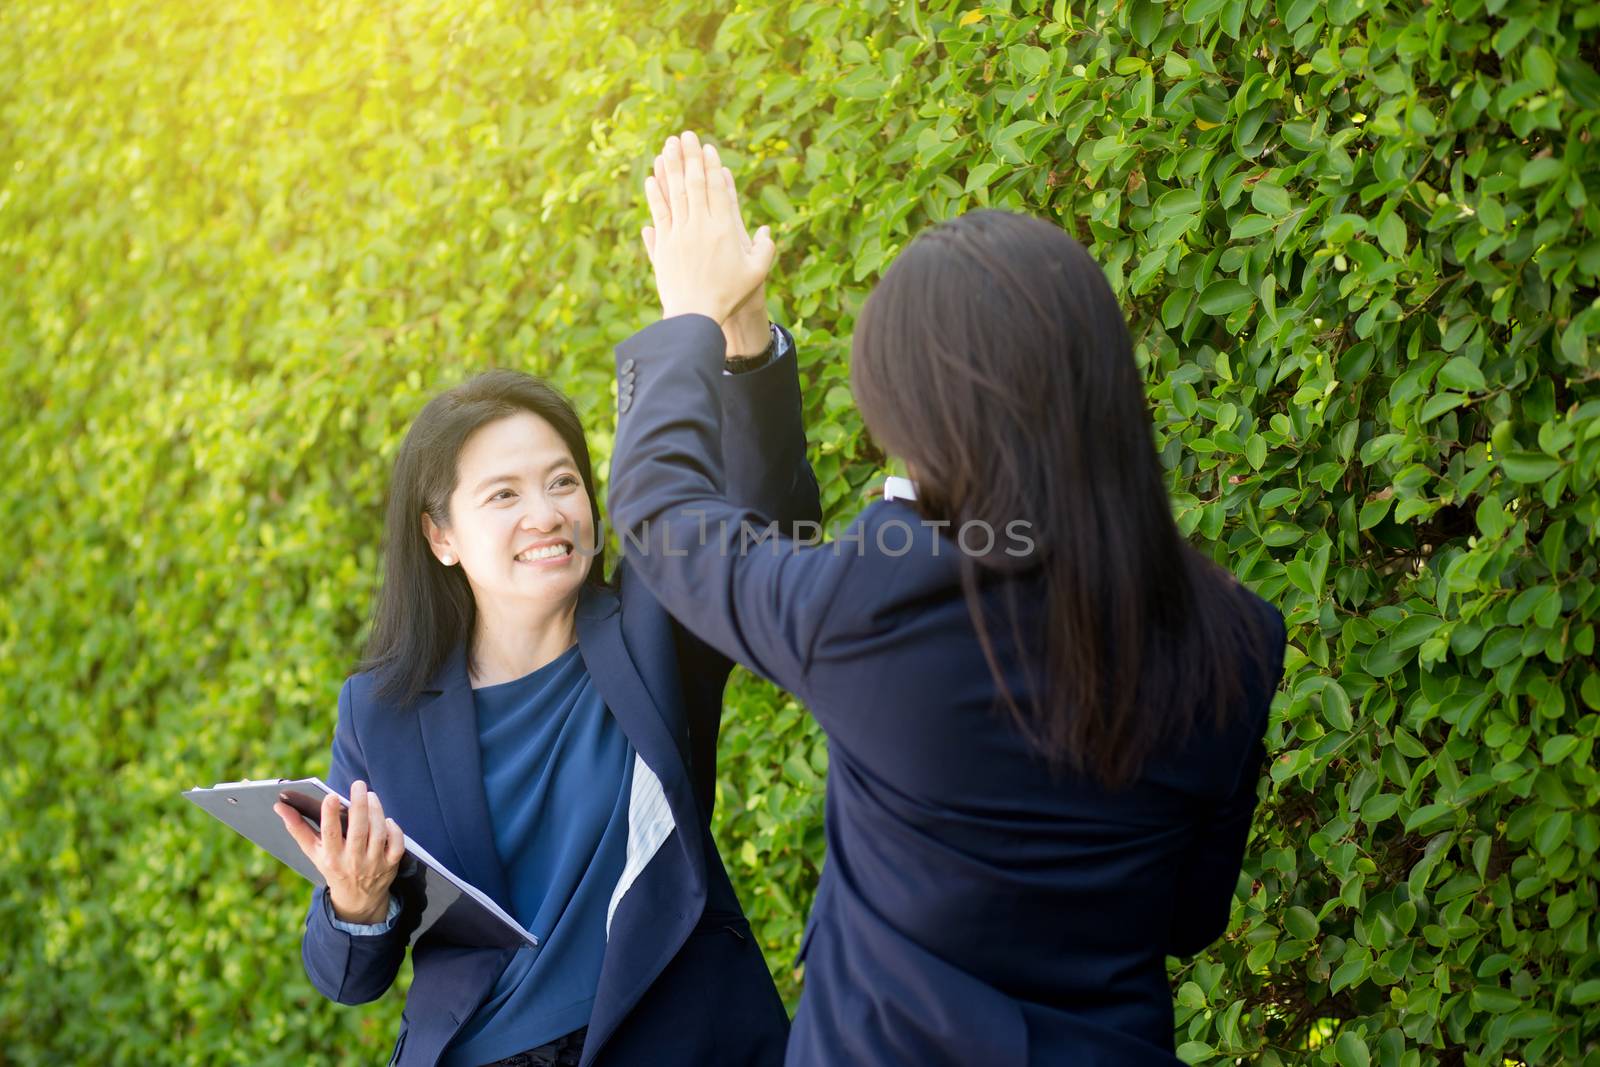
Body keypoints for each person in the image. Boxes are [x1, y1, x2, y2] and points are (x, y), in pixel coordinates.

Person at [608, 131, 1288, 1065]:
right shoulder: (1238, 634)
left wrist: (691, 317)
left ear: (925, 413)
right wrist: (742, 342)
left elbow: (665, 515)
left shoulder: (884, 599)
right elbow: (1189, 916)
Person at [272, 148, 814, 1067]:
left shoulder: (655, 625)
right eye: (504, 495)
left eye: (564, 480)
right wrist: (354, 905)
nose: (548, 511)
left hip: (674, 1038)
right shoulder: (382, 708)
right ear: (440, 535)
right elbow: (348, 976)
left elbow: (771, 531)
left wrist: (742, 335)